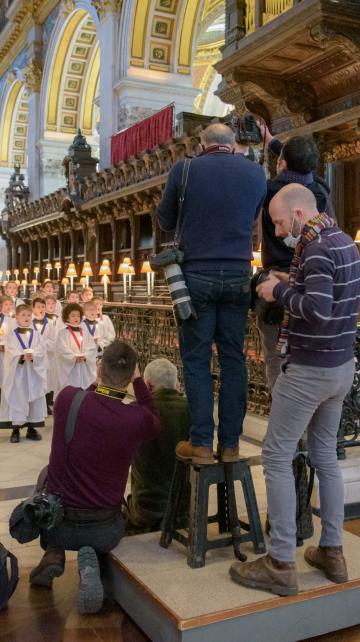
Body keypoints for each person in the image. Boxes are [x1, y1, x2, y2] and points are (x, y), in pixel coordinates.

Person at [230, 184, 360, 596]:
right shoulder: (341, 241)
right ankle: (332, 551)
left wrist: (277, 291)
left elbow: (319, 311)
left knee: (276, 455)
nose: (278, 230)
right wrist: (291, 278)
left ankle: (281, 561)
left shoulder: (317, 249)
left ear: (300, 213)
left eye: (279, 222)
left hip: (309, 371)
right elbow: (332, 296)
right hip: (340, 367)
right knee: (324, 454)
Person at [157, 123, 267, 464]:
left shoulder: (185, 168)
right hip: (238, 274)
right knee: (235, 359)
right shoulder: (255, 173)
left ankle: (202, 443)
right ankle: (231, 445)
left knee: (196, 361)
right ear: (234, 144)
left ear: (201, 144)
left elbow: (165, 220)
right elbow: (252, 218)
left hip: (197, 275)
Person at [29, 340, 161, 615]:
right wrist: (136, 382)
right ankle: (93, 559)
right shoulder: (134, 418)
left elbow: (87, 398)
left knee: (46, 476)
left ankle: (54, 549)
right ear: (133, 375)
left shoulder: (66, 399)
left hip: (58, 522)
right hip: (105, 529)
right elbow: (154, 417)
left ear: (99, 369)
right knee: (96, 505)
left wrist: (100, 382)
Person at [257, 124, 332, 390]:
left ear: (282, 164)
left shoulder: (267, 191)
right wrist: (275, 144)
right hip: (314, 283)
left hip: (277, 283)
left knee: (276, 357)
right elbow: (304, 170)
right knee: (308, 357)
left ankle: (284, 419)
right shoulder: (321, 191)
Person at [127, 358, 191, 532]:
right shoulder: (191, 410)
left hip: (147, 510)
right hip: (183, 511)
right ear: (176, 385)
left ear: (147, 385)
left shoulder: (136, 411)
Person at [0, 304, 47, 443]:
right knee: (18, 399)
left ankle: (31, 429)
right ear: (16, 318)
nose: (26, 318)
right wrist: (20, 357)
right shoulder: (11, 335)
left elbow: (41, 350)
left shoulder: (36, 334)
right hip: (18, 374)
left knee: (33, 400)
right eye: (23, 315)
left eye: (28, 315)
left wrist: (34, 356)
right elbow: (10, 352)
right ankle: (15, 430)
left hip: (33, 373)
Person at [54, 303, 97, 396]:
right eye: (73, 316)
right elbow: (61, 350)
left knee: (83, 393)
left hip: (83, 366)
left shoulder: (85, 333)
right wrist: (73, 358)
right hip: (70, 369)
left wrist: (85, 356)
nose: (76, 318)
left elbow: (92, 348)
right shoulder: (63, 333)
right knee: (70, 393)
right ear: (67, 318)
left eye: (78, 315)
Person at [32, 297, 57, 415]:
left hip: (46, 357)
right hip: (34, 357)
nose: (41, 309)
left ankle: (46, 405)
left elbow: (53, 341)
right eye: (38, 307)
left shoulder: (50, 324)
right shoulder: (29, 322)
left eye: (43, 307)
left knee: (47, 380)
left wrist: (44, 344)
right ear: (33, 309)